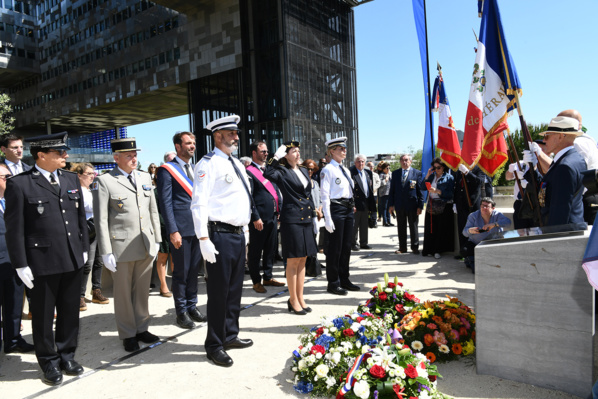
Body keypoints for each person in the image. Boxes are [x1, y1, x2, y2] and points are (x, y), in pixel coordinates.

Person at [6, 132, 89, 385]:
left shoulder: (70, 178)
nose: (65, 156)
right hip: (41, 262)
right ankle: (49, 362)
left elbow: (79, 219)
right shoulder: (20, 184)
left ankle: (67, 355)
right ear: (41, 155)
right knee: (43, 316)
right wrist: (20, 264)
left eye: (64, 151)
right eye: (59, 153)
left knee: (69, 312)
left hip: (72, 258)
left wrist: (83, 246)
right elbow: (15, 228)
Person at [191, 115, 253, 368]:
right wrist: (203, 238)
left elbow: (239, 200)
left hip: (237, 234)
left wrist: (245, 229)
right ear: (218, 136)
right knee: (218, 293)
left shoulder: (235, 163)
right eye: (231, 133)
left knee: (235, 290)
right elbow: (199, 203)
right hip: (219, 235)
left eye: (236, 133)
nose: (236, 137)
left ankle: (230, 334)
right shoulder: (208, 164)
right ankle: (214, 344)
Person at [93, 137, 161, 352]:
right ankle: (128, 333)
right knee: (122, 293)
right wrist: (105, 252)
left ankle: (142, 327)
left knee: (142, 290)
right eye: (129, 156)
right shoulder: (105, 181)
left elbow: (153, 211)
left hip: (145, 243)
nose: (134, 159)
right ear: (116, 158)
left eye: (135, 155)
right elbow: (101, 218)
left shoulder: (143, 177)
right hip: (120, 246)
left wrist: (157, 238)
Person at [156, 132, 207, 330]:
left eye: (193, 143)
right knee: (181, 272)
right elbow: (165, 203)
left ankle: (193, 306)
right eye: (188, 143)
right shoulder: (167, 170)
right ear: (178, 146)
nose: (192, 146)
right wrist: (173, 231)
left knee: (194, 271)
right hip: (181, 230)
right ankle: (181, 311)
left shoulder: (195, 169)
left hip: (197, 228)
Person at [265, 141, 317, 315]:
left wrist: (314, 212)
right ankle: (292, 299)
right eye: (293, 151)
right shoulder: (281, 171)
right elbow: (267, 173)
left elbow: (307, 194)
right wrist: (275, 156)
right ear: (286, 155)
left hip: (306, 219)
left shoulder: (303, 170)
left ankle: (300, 297)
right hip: (292, 219)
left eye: (298, 151)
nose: (297, 154)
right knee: (293, 260)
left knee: (303, 259)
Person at [523, 116, 585, 227]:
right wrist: (533, 169)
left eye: (547, 136)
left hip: (563, 232)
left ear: (561, 136)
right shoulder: (572, 159)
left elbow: (560, 211)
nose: (544, 140)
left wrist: (553, 238)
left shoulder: (564, 166)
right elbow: (549, 188)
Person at [0, 163, 34, 355]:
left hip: (14, 263)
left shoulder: (14, 201)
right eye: (6, 177)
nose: (10, 180)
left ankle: (13, 340)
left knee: (14, 305)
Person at [320, 136, 359, 295]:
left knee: (346, 247)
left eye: (344, 148)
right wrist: (327, 218)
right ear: (331, 151)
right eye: (340, 148)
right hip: (336, 210)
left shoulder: (346, 170)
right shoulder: (327, 169)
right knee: (335, 248)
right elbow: (324, 195)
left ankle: (344, 278)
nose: (344, 151)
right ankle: (333, 282)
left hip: (348, 210)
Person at [246, 141, 284, 294]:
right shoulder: (248, 171)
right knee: (255, 251)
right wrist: (255, 217)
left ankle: (268, 276)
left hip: (273, 216)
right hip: (259, 218)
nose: (266, 154)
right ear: (254, 153)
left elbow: (275, 190)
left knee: (270, 248)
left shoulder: (269, 170)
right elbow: (249, 197)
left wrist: (279, 209)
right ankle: (256, 281)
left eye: (267, 151)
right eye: (262, 151)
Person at [72, 163, 109, 311]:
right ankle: (80, 295)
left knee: (99, 262)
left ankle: (96, 290)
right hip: (87, 230)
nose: (92, 176)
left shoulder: (93, 189)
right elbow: (90, 206)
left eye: (93, 173)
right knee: (87, 263)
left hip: (99, 228)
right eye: (89, 173)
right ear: (79, 175)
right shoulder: (77, 190)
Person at [462, 197, 511, 272]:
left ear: (493, 208)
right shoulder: (473, 216)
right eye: (482, 206)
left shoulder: (497, 215)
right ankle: (472, 260)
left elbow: (508, 222)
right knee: (464, 250)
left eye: (487, 206)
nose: (484, 208)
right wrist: (470, 231)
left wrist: (494, 224)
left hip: (492, 244)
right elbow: (464, 232)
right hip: (476, 244)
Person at [389, 154, 423, 254]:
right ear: (400, 162)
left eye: (406, 160)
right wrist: (391, 205)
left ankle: (415, 247)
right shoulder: (395, 173)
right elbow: (392, 190)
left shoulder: (417, 173)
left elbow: (420, 191)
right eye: (402, 160)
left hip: (412, 205)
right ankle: (402, 248)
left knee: (413, 227)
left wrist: (420, 205)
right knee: (401, 227)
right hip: (399, 205)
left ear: (410, 161)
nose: (404, 162)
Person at [421, 157, 455, 259]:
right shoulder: (432, 177)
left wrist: (438, 191)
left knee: (440, 229)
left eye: (439, 167)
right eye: (434, 168)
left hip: (443, 205)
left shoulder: (449, 178)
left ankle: (437, 250)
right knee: (430, 228)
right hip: (431, 204)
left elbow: (450, 194)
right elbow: (422, 187)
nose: (437, 170)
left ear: (443, 167)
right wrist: (427, 176)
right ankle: (428, 249)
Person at [453, 164, 484, 257]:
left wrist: (467, 172)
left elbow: (479, 181)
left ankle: (475, 252)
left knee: (475, 229)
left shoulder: (479, 168)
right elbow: (457, 187)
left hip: (473, 203)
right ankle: (463, 251)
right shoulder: (459, 169)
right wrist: (455, 202)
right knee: (462, 227)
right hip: (461, 203)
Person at [350, 154, 376, 251]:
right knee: (354, 224)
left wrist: (371, 204)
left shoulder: (368, 173)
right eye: (358, 161)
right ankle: (353, 243)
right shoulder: (351, 172)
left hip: (366, 202)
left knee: (364, 224)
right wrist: (352, 204)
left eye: (362, 161)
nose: (360, 163)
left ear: (365, 162)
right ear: (355, 162)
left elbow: (370, 188)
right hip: (356, 202)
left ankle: (364, 243)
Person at [303, 158, 324, 275]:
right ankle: (307, 264)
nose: (310, 171)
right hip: (308, 215)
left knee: (314, 238)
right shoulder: (302, 182)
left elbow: (320, 198)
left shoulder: (315, 183)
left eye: (312, 169)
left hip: (317, 216)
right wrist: (315, 210)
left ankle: (313, 262)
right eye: (308, 169)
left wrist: (320, 210)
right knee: (308, 241)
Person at [377, 162, 393, 226]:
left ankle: (389, 221)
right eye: (387, 168)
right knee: (385, 207)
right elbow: (379, 184)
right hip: (384, 194)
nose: (388, 169)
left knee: (389, 207)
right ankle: (385, 222)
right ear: (383, 169)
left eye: (389, 168)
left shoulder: (390, 174)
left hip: (390, 193)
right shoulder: (381, 175)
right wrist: (385, 180)